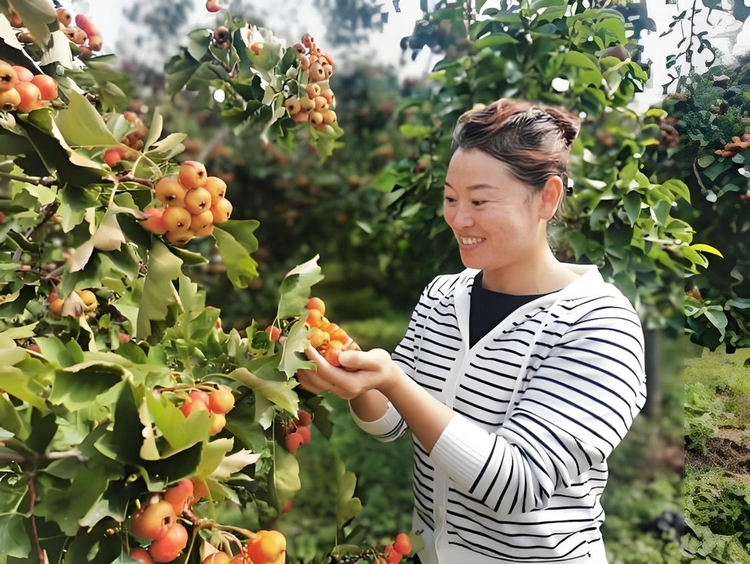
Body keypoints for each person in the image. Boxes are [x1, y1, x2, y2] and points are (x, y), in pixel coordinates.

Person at [296, 98, 647, 564]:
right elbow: (392, 422)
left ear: (547, 197)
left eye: (479, 201)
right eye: (450, 198)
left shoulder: (599, 324)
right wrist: (358, 378)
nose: (459, 219)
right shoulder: (443, 297)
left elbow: (516, 484)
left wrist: (393, 380)